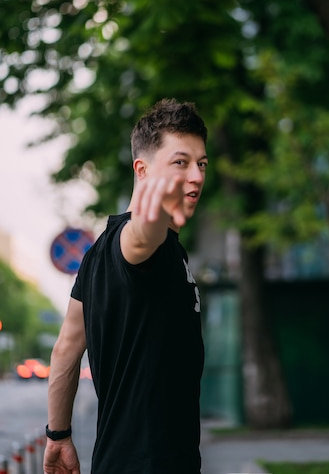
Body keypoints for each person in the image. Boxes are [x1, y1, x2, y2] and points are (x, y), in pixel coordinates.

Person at [44, 98, 209, 474]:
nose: (196, 175)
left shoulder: (94, 255)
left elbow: (66, 350)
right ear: (143, 170)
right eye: (180, 162)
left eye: (201, 164)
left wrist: (58, 436)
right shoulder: (139, 244)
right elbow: (142, 235)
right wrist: (155, 212)